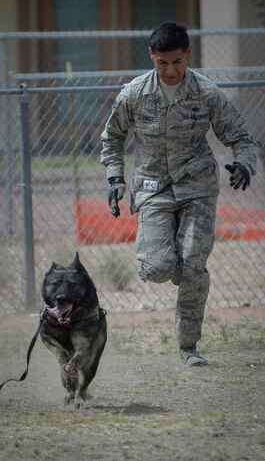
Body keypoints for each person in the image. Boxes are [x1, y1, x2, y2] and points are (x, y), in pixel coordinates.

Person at [100, 21, 258, 367]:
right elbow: (111, 137)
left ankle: (189, 347)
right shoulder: (134, 94)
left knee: (193, 266)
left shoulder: (206, 93)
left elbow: (241, 136)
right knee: (158, 268)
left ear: (188, 54)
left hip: (197, 188)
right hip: (153, 189)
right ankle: (167, 259)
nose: (170, 71)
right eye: (162, 63)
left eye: (177, 62)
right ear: (151, 56)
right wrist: (115, 178)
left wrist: (245, 163)